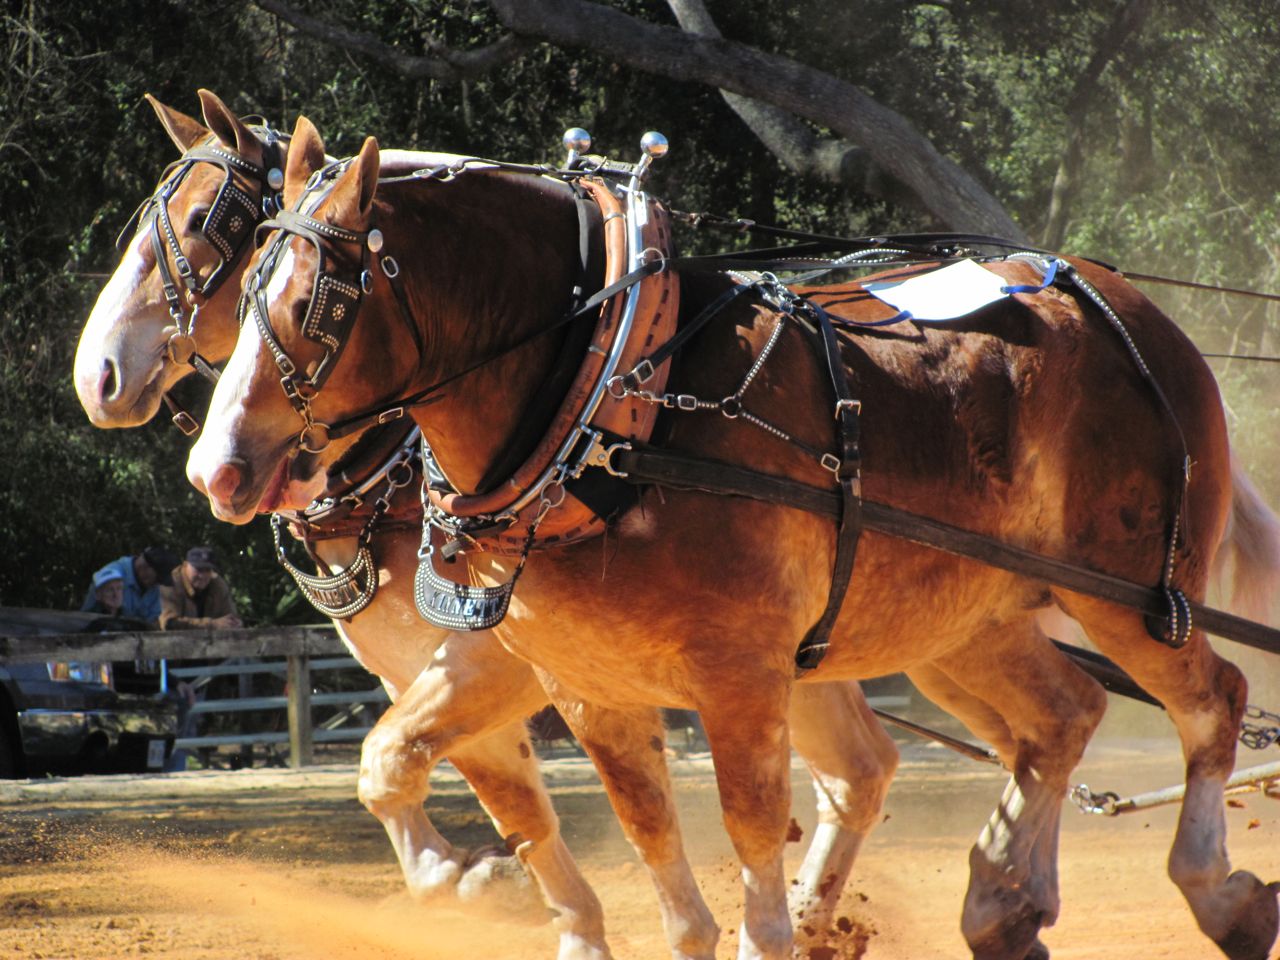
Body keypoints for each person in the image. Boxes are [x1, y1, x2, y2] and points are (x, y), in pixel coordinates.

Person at [79, 546, 179, 626]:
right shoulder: (110, 577)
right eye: (158, 579)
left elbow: (153, 621)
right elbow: (85, 620)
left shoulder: (152, 584)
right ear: (144, 568)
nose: (158, 583)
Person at [159, 546, 243, 630]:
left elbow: (230, 616)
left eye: (207, 570)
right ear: (185, 565)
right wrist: (212, 624)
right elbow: (169, 624)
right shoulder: (171, 583)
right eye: (199, 569)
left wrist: (234, 623)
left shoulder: (218, 584)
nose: (203, 576)